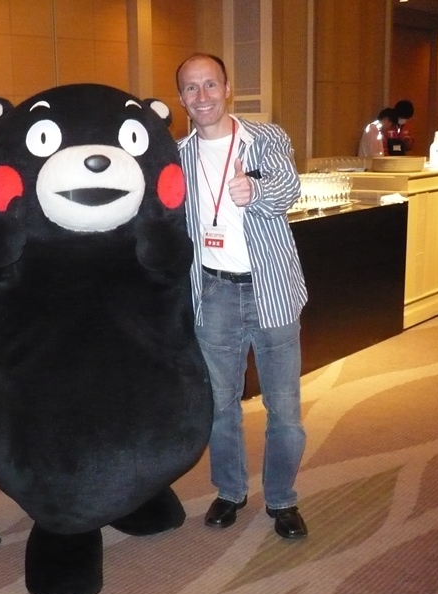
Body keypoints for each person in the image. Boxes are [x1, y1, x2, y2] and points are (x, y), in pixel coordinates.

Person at [175, 53, 308, 540]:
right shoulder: (177, 156)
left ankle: (282, 499)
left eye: (210, 84)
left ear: (227, 88)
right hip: (213, 293)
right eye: (191, 88)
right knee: (220, 405)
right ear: (182, 98)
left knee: (284, 408)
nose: (202, 96)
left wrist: (256, 189)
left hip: (271, 288)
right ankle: (230, 491)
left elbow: (289, 188)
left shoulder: (265, 138)